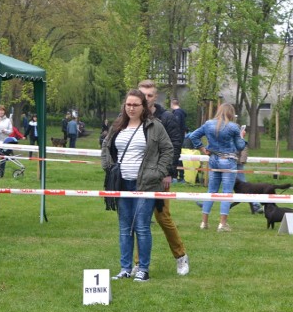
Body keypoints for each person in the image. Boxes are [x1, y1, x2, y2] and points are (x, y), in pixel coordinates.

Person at [101, 89, 173, 282]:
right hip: (121, 183)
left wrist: (158, 172)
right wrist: (108, 167)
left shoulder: (154, 126)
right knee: (124, 227)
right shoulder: (118, 125)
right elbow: (106, 146)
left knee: (141, 227)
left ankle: (143, 268)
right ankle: (125, 268)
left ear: (143, 107)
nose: (131, 108)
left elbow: (167, 149)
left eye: (135, 105)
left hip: (146, 185)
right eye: (128, 104)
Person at [138, 80, 189, 276]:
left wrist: (169, 172)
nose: (146, 98)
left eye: (149, 95)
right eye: (143, 94)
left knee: (162, 217)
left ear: (155, 97)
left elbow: (175, 145)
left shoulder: (167, 118)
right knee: (138, 220)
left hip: (160, 176)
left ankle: (181, 256)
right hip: (138, 176)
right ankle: (137, 263)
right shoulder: (132, 116)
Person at [188, 102, 246, 232]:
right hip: (228, 160)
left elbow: (193, 136)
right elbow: (240, 146)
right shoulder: (234, 127)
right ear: (231, 113)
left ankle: (204, 222)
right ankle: (222, 224)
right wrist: (242, 137)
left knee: (211, 191)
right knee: (226, 193)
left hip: (213, 159)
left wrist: (203, 149)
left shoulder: (208, 124)